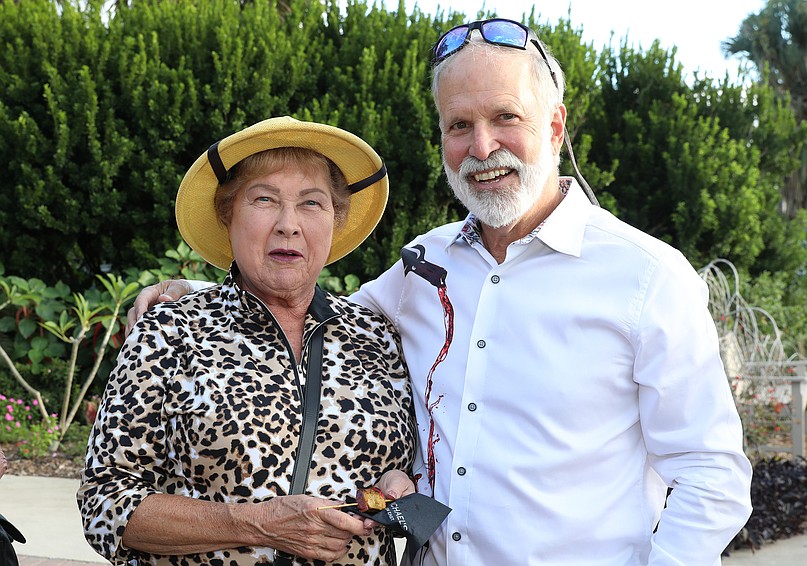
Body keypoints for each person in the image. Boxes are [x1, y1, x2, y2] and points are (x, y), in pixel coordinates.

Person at [128, 18, 753, 565]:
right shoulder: (425, 264)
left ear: (556, 127)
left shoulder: (647, 276)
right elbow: (309, 311)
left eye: (506, 117)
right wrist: (198, 291)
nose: (482, 147)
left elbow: (710, 474)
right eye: (459, 125)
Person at [78, 117, 418, 565]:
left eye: (312, 203)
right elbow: (104, 505)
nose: (288, 225)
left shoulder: (376, 338)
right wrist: (259, 523)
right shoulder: (169, 330)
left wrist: (401, 488)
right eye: (264, 200)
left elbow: (411, 474)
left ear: (336, 219)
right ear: (227, 214)